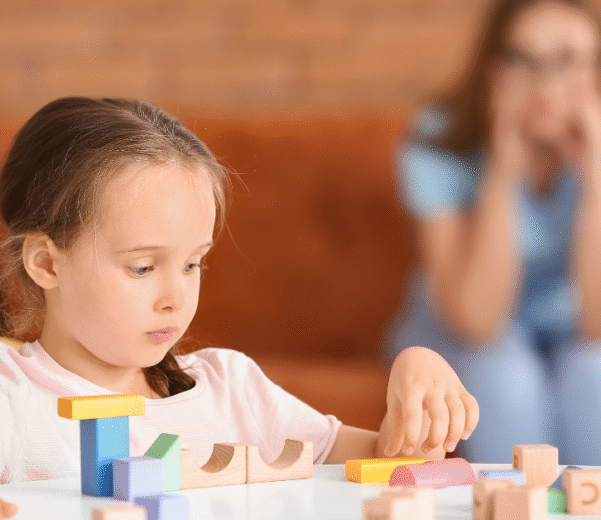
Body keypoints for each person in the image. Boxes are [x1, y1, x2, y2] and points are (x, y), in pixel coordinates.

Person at [0, 97, 478, 517]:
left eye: (192, 264)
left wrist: (419, 368)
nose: (175, 298)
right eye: (142, 268)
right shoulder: (12, 398)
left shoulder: (233, 389)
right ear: (46, 264)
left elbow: (392, 471)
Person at [385, 0, 601, 464]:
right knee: (506, 375)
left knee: (595, 373)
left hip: (568, 332)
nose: (546, 85)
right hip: (458, 330)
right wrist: (503, 170)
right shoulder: (437, 136)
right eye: (524, 61)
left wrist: (596, 178)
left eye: (567, 60)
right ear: (493, 69)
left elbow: (597, 324)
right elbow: (479, 321)